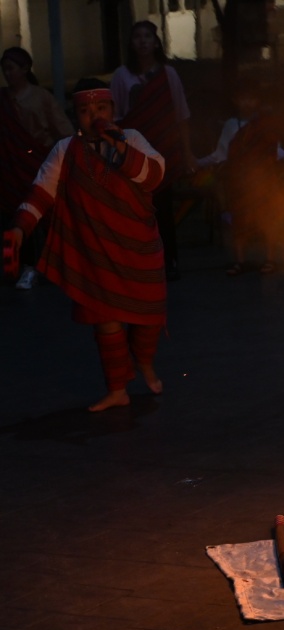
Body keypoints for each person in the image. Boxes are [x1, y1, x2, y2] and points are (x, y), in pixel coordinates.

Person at [7, 81, 166, 412]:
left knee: (148, 318)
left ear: (113, 111)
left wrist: (120, 150)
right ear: (75, 116)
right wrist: (20, 230)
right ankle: (117, 388)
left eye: (101, 109)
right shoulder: (66, 150)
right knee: (105, 321)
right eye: (84, 111)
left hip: (138, 248)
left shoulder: (132, 139)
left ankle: (145, 363)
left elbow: (155, 176)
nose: (93, 115)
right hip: (95, 253)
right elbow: (42, 192)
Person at [111, 20, 196, 281]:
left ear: (156, 42)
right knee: (135, 210)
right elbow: (115, 118)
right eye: (137, 36)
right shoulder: (121, 76)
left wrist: (187, 152)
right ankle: (139, 264)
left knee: (163, 209)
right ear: (131, 43)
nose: (143, 41)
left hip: (163, 149)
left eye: (148, 36)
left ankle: (169, 261)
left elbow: (181, 115)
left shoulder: (168, 74)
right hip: (133, 151)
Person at [199, 79, 284, 275]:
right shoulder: (231, 125)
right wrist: (197, 163)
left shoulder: (266, 124)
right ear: (236, 101)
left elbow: (276, 151)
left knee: (268, 219)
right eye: (243, 99)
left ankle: (270, 259)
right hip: (240, 180)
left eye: (252, 99)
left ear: (257, 101)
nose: (248, 103)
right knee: (239, 220)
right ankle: (239, 261)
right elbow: (221, 153)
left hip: (264, 179)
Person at [1, 47, 75, 290]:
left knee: (43, 214)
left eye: (11, 68)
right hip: (10, 167)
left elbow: (63, 131)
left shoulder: (41, 97)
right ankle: (21, 265)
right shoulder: (3, 99)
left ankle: (50, 265)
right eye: (4, 69)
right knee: (13, 215)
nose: (7, 73)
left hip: (37, 164)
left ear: (25, 69)